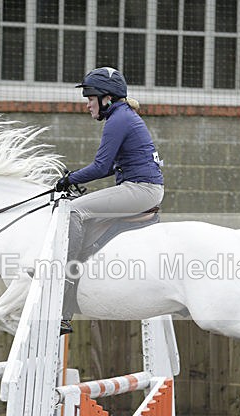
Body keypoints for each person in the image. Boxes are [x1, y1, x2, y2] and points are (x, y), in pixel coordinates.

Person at [56, 67, 164, 334]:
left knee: (72, 210)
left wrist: (68, 179)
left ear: (107, 98)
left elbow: (100, 166)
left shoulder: (118, 119)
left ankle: (61, 287)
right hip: (141, 188)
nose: (87, 105)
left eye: (90, 99)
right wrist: (74, 178)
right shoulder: (122, 116)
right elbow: (108, 168)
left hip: (140, 190)